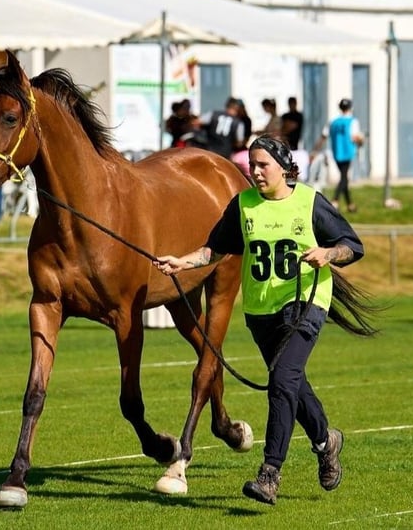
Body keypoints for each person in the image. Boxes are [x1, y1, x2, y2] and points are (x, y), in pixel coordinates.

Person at [153, 135, 377, 506]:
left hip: (305, 305)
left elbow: (352, 245)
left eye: (263, 165)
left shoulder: (309, 202)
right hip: (261, 313)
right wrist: (181, 261)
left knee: (282, 382)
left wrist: (328, 253)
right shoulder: (243, 205)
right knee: (291, 384)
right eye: (251, 165)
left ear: (284, 167)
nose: (254, 172)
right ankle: (326, 441)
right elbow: (215, 249)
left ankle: (269, 473)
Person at [311, 98, 364, 213]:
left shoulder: (333, 122)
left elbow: (323, 136)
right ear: (350, 108)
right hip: (348, 152)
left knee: (344, 177)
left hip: (337, 152)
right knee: (344, 177)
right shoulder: (353, 121)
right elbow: (355, 137)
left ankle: (350, 204)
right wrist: (361, 141)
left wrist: (315, 150)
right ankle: (335, 200)